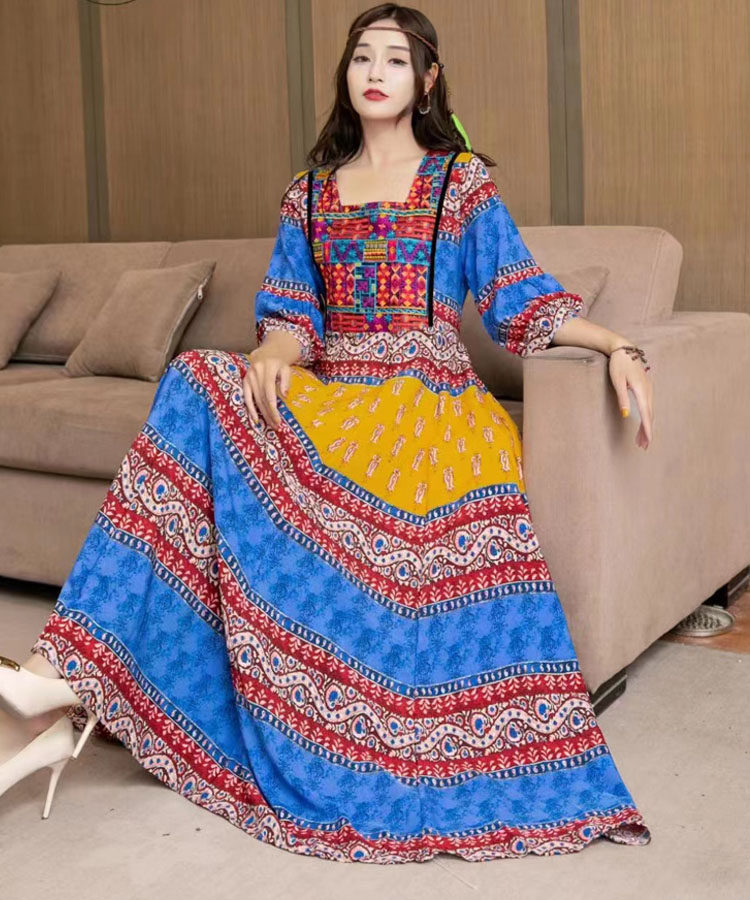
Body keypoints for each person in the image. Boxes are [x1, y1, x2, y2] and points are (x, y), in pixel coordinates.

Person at [0, 3, 654, 862]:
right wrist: (273, 352)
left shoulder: (459, 184)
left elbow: (516, 297)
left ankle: (64, 694)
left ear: (427, 81)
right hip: (334, 396)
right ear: (345, 75)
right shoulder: (308, 194)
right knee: (199, 379)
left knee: (394, 494)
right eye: (361, 57)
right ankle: (61, 672)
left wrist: (616, 345)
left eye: (396, 59)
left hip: (429, 405)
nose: (375, 72)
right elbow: (290, 316)